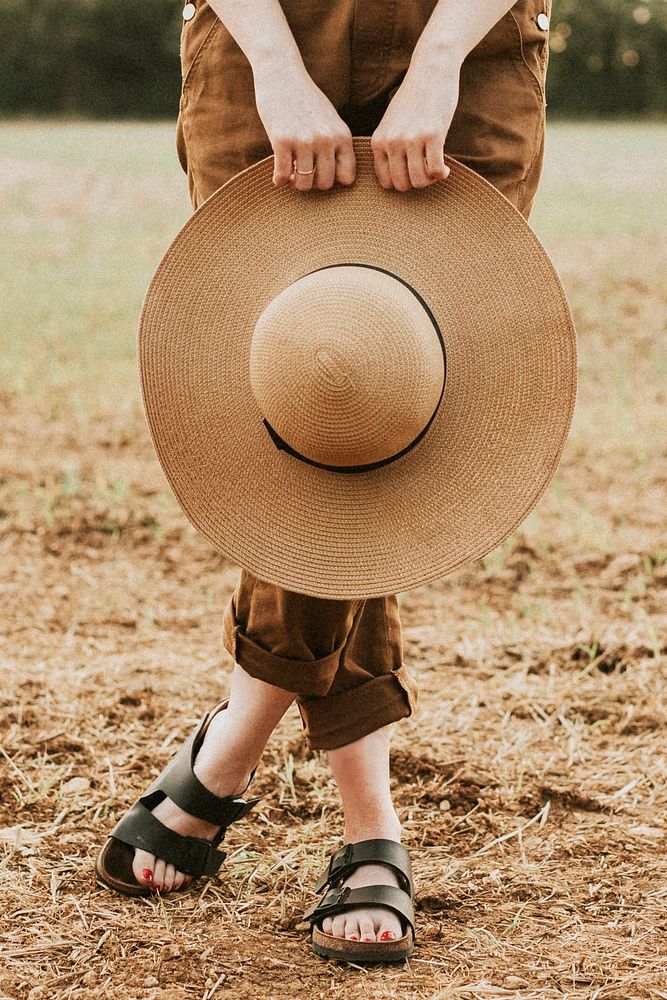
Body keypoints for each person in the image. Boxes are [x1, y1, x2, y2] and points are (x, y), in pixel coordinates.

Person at [97, 0, 551, 960]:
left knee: (393, 393)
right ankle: (366, 824)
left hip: (470, 35)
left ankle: (228, 750)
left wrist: (438, 58)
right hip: (260, 24)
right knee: (314, 390)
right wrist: (271, 57)